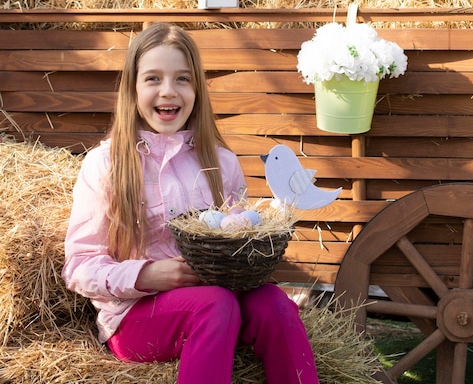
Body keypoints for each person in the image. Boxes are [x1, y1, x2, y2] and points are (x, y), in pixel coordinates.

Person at [62, 23, 319, 384]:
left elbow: (236, 236)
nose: (168, 91)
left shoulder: (220, 162)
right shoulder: (105, 165)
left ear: (196, 89)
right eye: (153, 78)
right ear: (133, 89)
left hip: (220, 303)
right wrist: (147, 275)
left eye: (182, 79)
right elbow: (79, 267)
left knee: (275, 304)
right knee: (216, 304)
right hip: (135, 318)